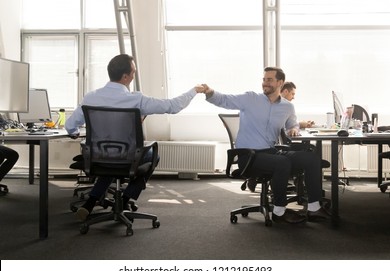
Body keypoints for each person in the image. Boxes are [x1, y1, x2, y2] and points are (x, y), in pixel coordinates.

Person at [66, 54, 205, 221]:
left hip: (98, 156)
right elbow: (172, 106)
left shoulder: (90, 97)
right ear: (125, 76)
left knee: (109, 157)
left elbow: (70, 126)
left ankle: (90, 202)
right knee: (152, 155)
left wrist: (75, 133)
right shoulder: (136, 100)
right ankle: (125, 200)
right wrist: (194, 91)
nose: (134, 75)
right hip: (127, 157)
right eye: (133, 72)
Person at [200, 66, 330, 224]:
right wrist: (209, 92)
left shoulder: (287, 106)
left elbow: (292, 125)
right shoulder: (250, 98)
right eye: (264, 79)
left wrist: (294, 130)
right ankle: (279, 212)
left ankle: (314, 208)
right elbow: (225, 100)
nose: (265, 83)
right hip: (248, 156)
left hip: (271, 152)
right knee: (282, 162)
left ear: (280, 82)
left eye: (269, 80)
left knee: (311, 159)